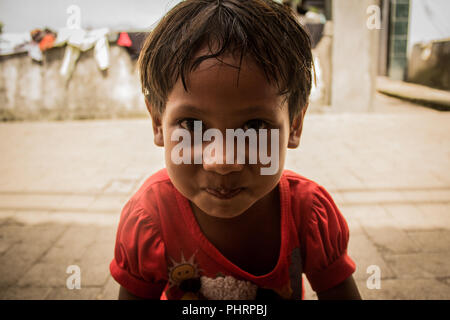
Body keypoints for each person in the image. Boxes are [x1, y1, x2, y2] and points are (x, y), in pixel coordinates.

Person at [110, 0, 361, 300]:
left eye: (254, 127)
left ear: (294, 126)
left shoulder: (309, 214)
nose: (223, 161)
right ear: (157, 124)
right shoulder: (150, 218)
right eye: (192, 125)